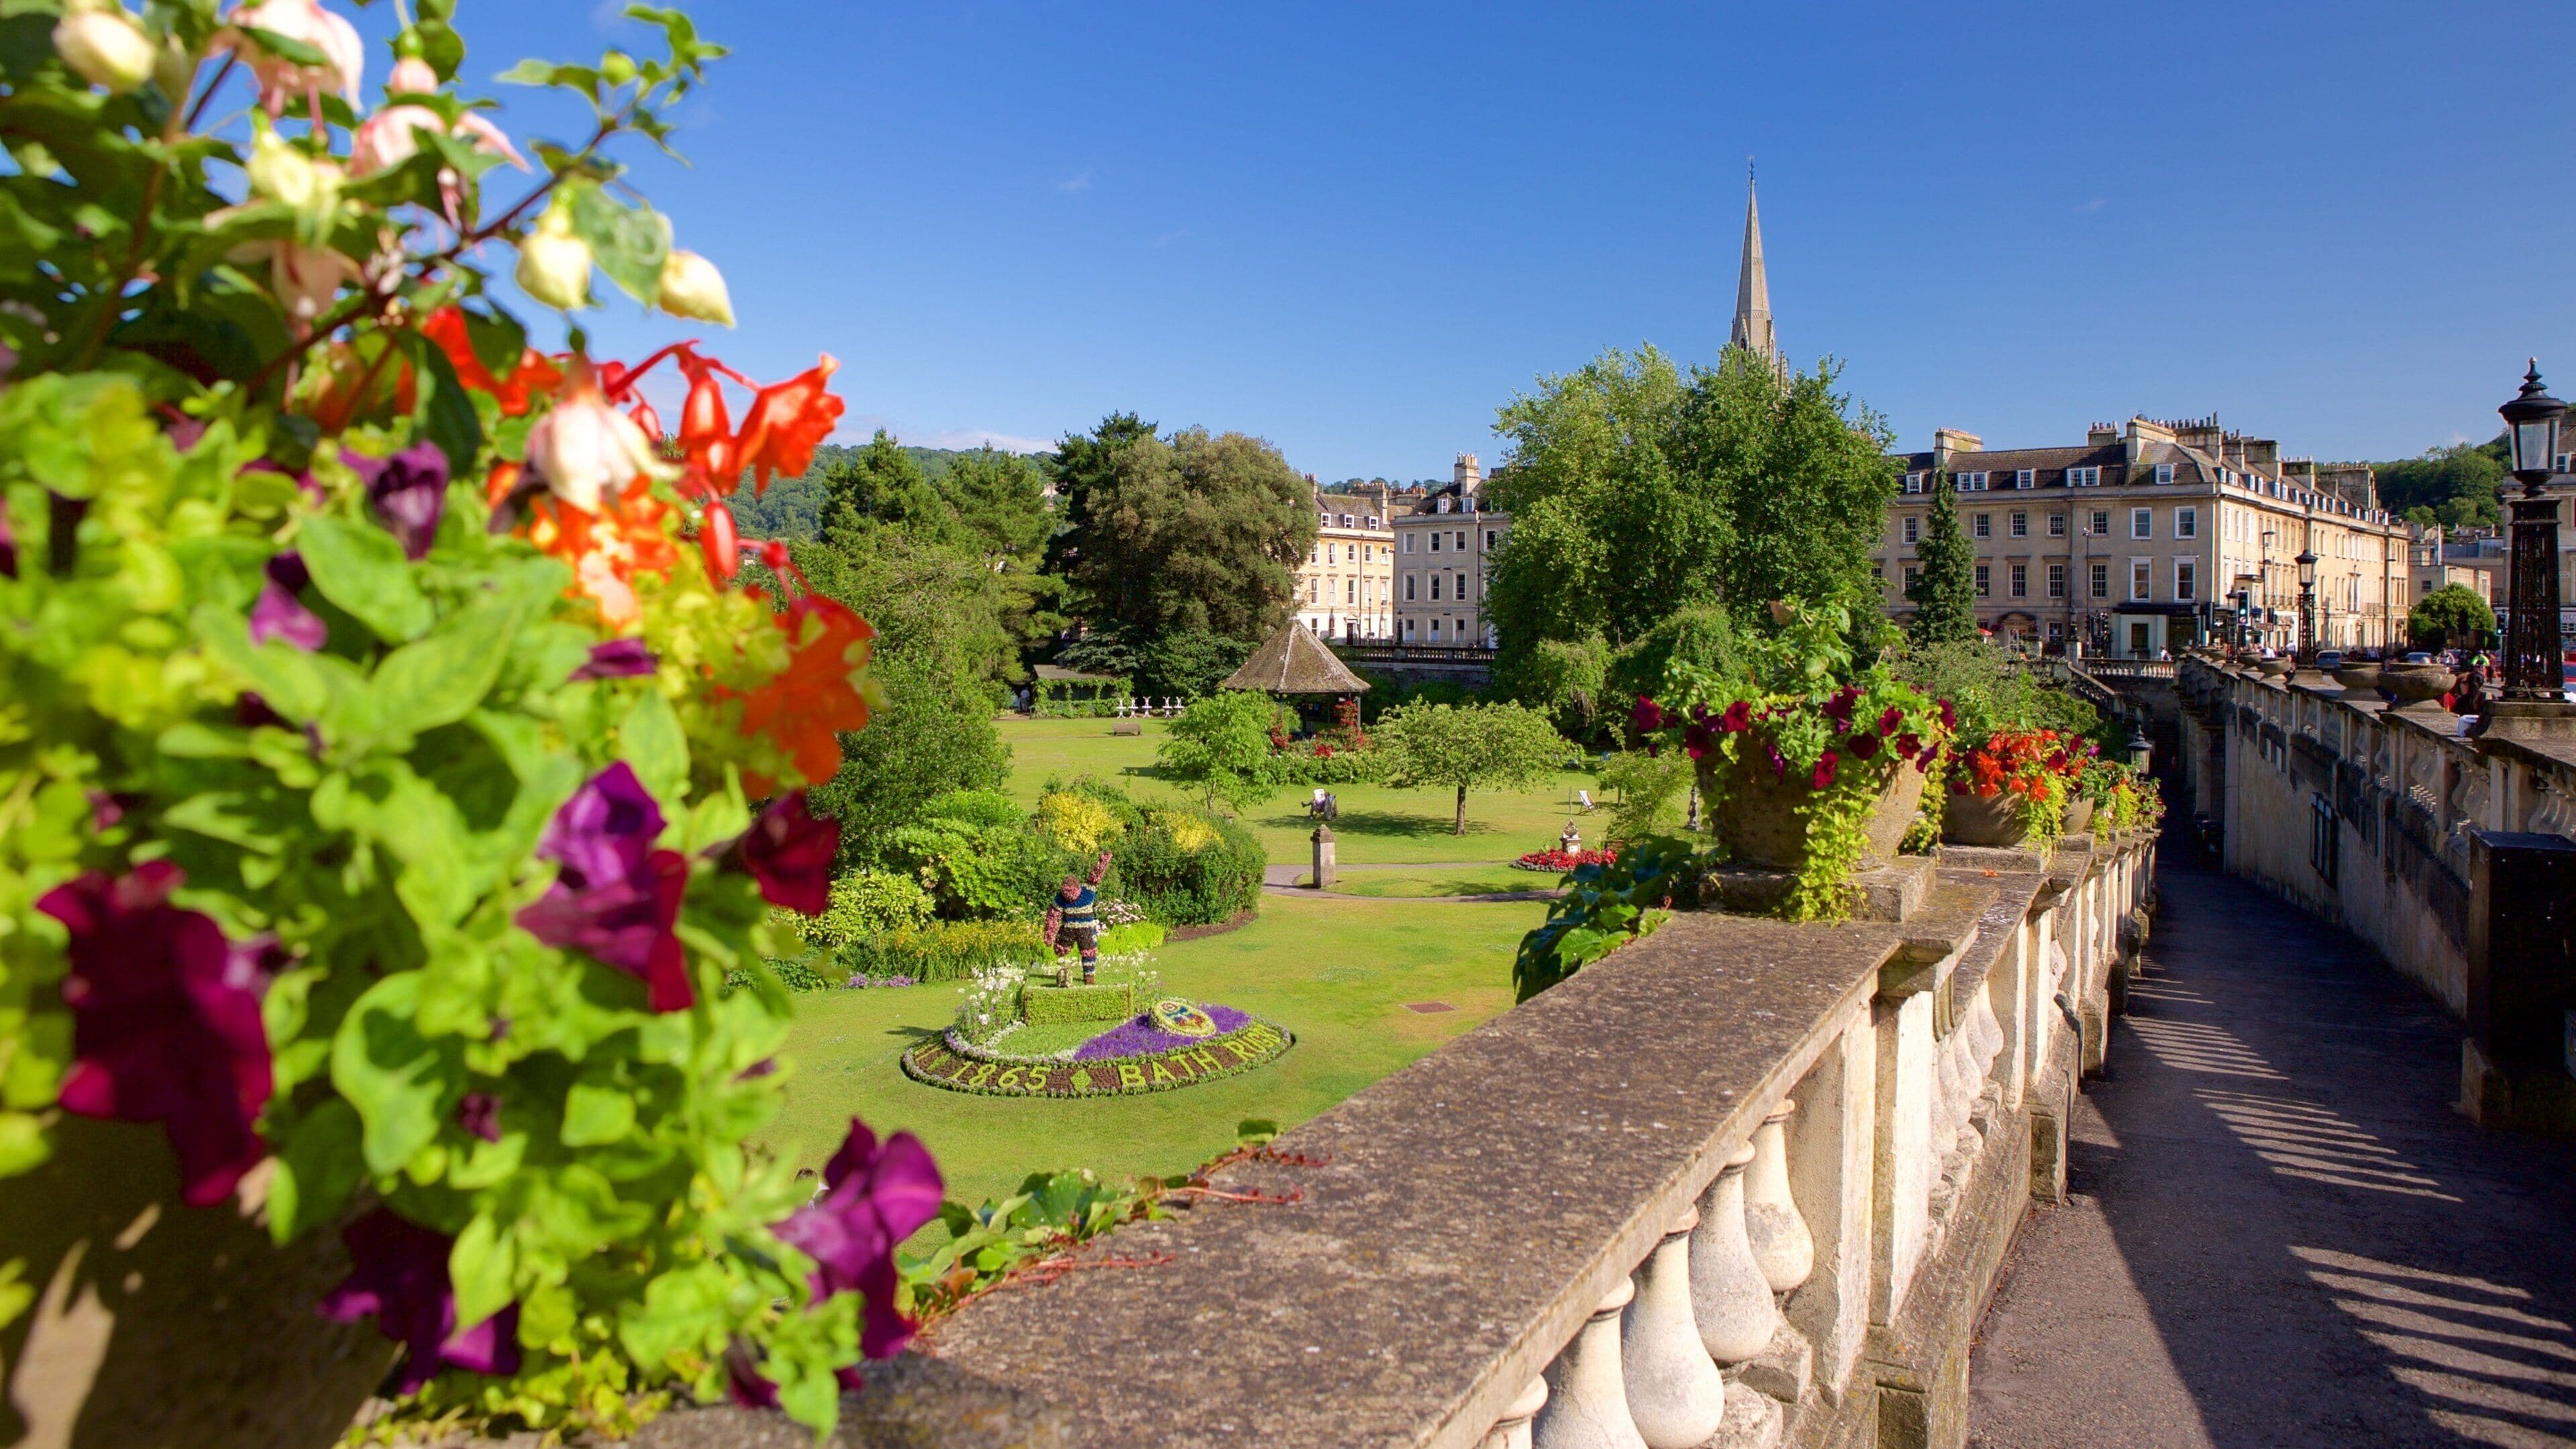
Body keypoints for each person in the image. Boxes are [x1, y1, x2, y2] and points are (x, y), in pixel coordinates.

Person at [1041, 850, 1112, 987]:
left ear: (1077, 888)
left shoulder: (1087, 891)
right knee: (1061, 948)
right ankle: (1068, 970)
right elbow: (1053, 915)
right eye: (1066, 893)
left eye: (1071, 892)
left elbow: (1096, 875)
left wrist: (1103, 862)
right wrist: (1049, 935)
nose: (1069, 896)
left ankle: (1089, 976)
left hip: (1086, 930)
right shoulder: (1061, 898)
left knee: (1089, 952)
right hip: (1068, 929)